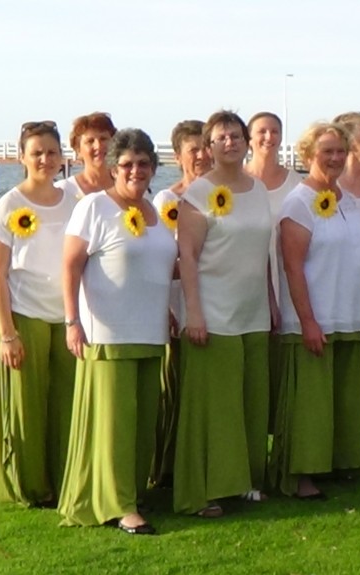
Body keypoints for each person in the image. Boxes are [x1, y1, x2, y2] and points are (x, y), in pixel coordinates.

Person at [58, 129, 177, 535]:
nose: (136, 170)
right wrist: (71, 321)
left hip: (151, 330)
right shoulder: (94, 207)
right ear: (113, 168)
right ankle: (117, 504)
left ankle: (132, 491)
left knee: (142, 422)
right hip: (107, 332)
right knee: (114, 424)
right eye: (127, 164)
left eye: (144, 163)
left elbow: (160, 269)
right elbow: (71, 265)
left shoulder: (157, 212)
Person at [175, 111, 274, 517]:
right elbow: (187, 257)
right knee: (213, 406)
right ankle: (202, 491)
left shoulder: (259, 190)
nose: (230, 142)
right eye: (221, 137)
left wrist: (272, 301)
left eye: (236, 135)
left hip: (254, 312)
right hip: (213, 313)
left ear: (246, 142)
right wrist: (194, 314)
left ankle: (245, 482)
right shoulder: (197, 194)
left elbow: (262, 254)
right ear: (209, 146)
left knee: (250, 403)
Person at [272, 122, 360, 500]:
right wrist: (308, 321)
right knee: (311, 403)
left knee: (341, 397)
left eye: (340, 151)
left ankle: (334, 463)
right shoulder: (297, 203)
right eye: (326, 151)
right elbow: (293, 266)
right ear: (308, 155)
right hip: (314, 318)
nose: (334, 158)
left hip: (348, 311)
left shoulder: (347, 198)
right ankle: (299, 475)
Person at [0, 121, 77, 507]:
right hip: (25, 316)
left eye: (52, 152)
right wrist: (8, 333)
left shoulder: (73, 202)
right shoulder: (10, 204)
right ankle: (29, 486)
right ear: (22, 157)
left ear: (62, 157)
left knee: (66, 404)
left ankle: (64, 480)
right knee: (28, 407)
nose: (45, 159)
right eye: (37, 152)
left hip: (67, 319)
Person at [149, 119, 211, 487]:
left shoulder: (222, 195)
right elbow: (160, 258)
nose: (202, 155)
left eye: (206, 147)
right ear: (178, 157)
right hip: (176, 304)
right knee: (175, 388)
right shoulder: (166, 201)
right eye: (193, 150)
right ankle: (169, 467)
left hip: (216, 300)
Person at [245, 111, 304, 438]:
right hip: (249, 274)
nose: (268, 137)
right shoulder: (237, 183)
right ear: (250, 138)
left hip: (286, 274)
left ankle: (280, 432)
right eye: (261, 132)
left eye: (274, 131)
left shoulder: (296, 183)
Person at [56, 112, 116, 198]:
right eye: (90, 141)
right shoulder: (64, 190)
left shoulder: (128, 187)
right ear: (78, 150)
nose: (98, 146)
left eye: (103, 139)